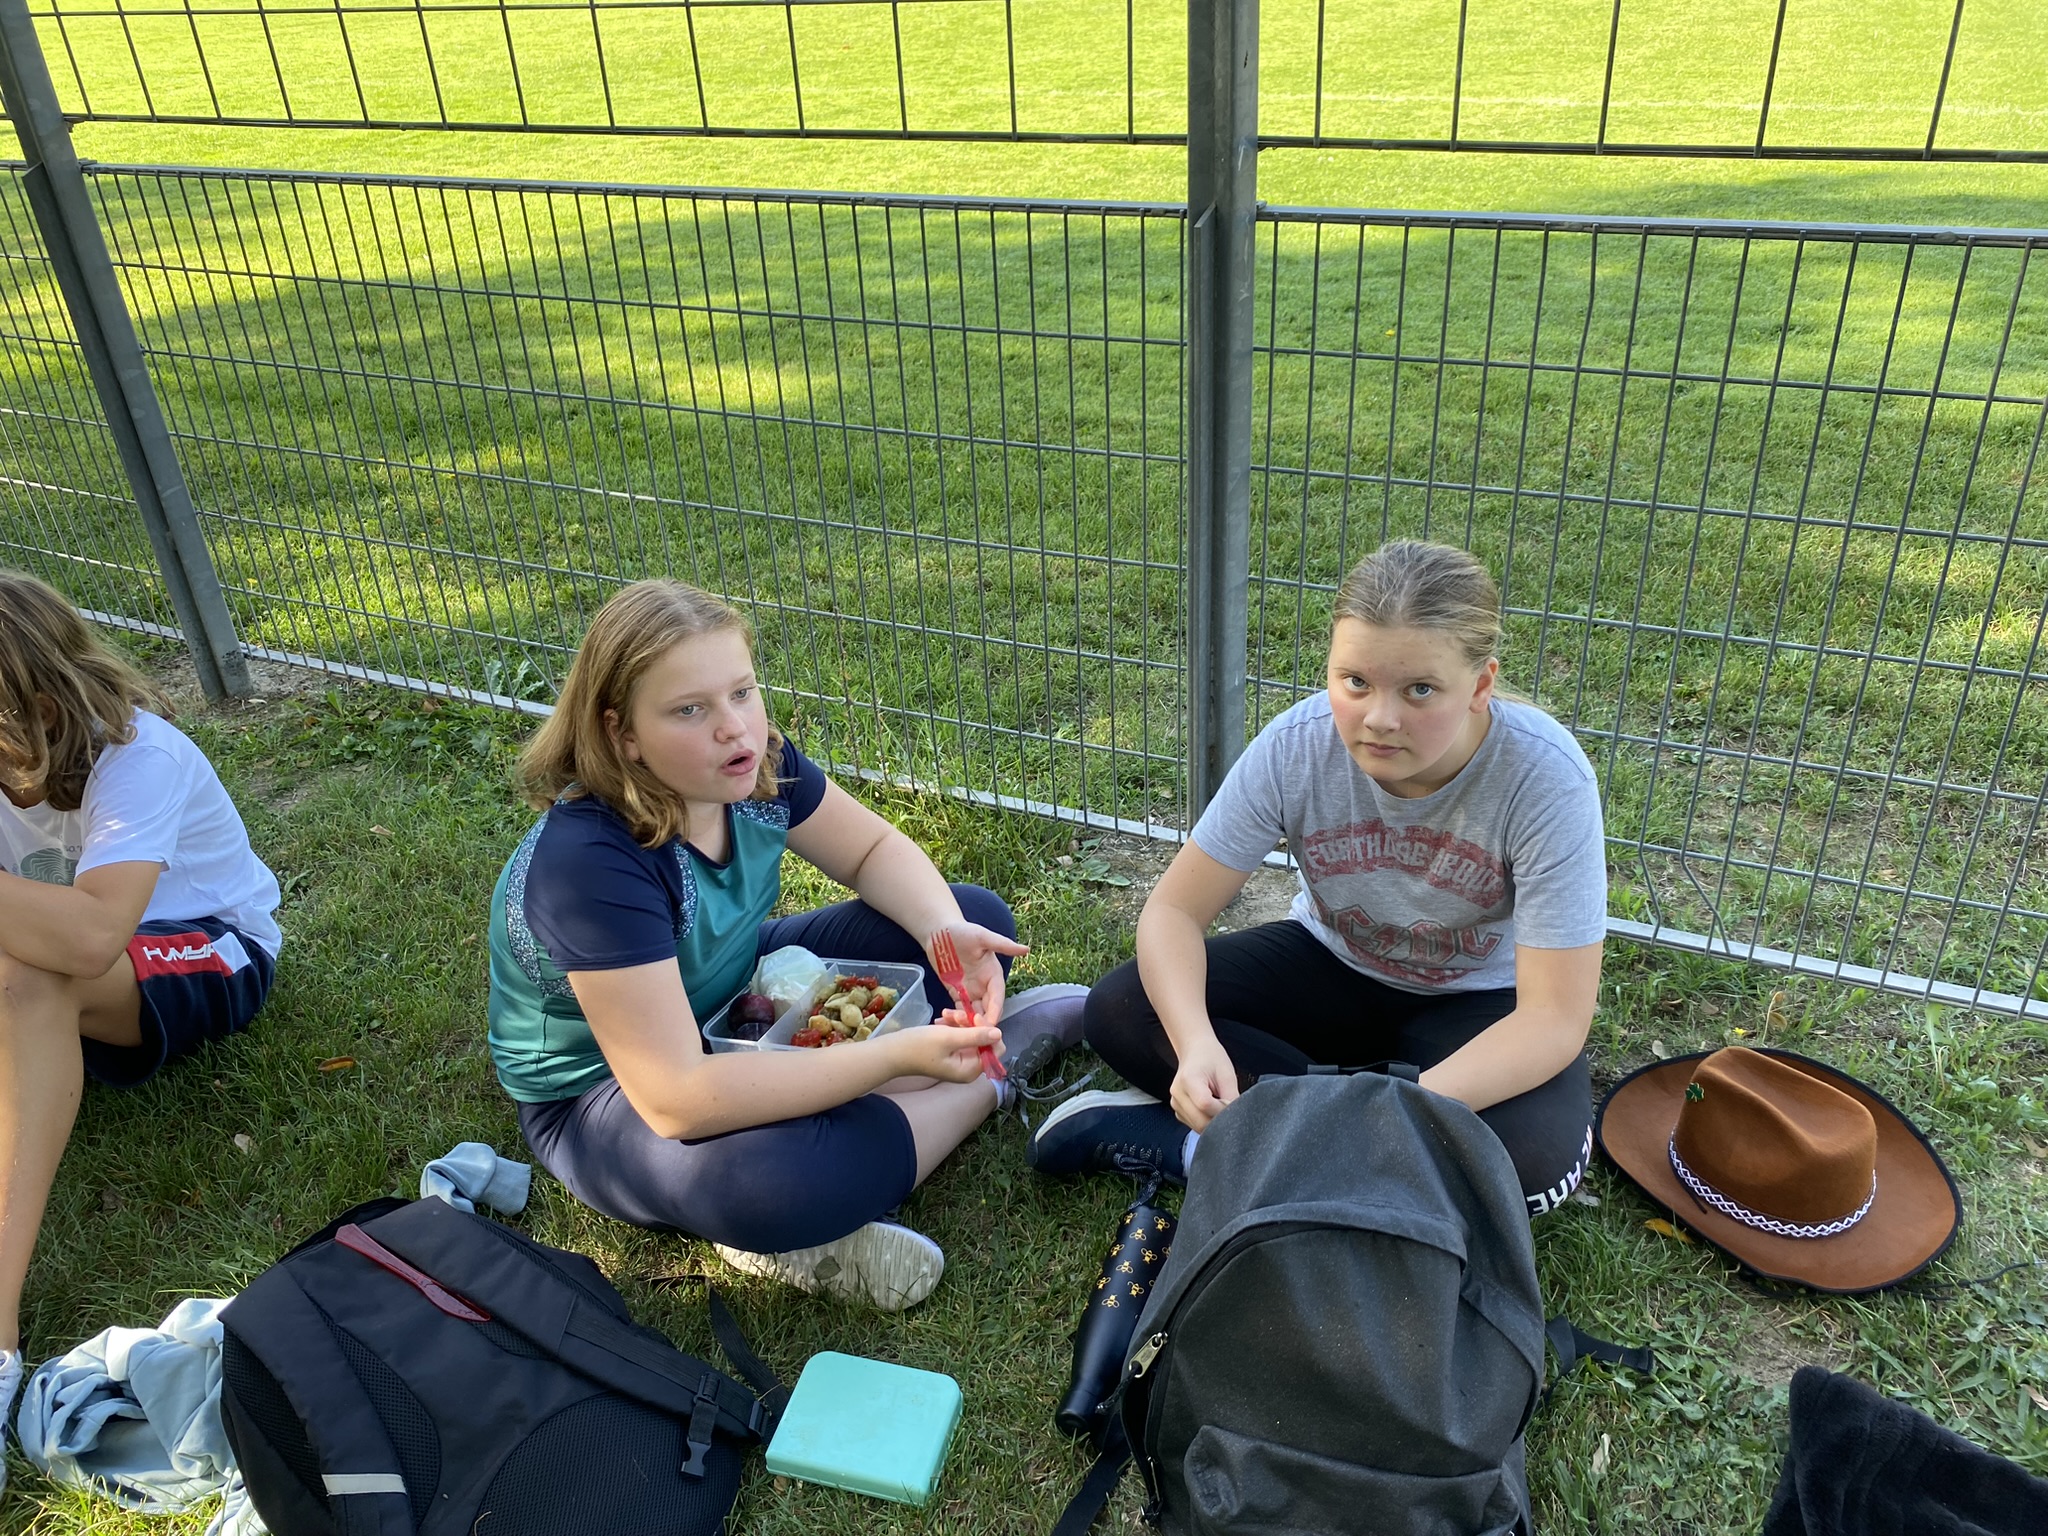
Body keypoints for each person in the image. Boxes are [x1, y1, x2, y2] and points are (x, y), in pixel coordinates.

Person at [486, 580, 1086, 1310]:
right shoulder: (589, 863)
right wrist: (890, 1058)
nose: (733, 729)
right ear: (623, 734)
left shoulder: (757, 763)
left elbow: (870, 851)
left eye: (742, 692)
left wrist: (943, 930)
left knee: (967, 917)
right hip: (601, 1092)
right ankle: (988, 1078)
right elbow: (677, 1099)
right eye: (689, 710)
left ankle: (864, 1130)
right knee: (772, 1183)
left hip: (734, 988)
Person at [1030, 540, 1605, 1220]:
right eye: (1355, 682)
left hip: (1478, 1000)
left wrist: (1397, 1107)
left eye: (1420, 690)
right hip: (1332, 965)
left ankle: (1206, 1147)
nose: (1380, 718)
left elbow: (1553, 1019)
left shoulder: (1544, 777)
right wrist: (1197, 1046)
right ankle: (1341, 1155)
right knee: (1123, 1010)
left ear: (1480, 686)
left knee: (1527, 1169)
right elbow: (1173, 914)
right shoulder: (1296, 746)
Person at [0, 572, 281, 1482]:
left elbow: (89, 937)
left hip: (213, 949)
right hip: (76, 963)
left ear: (40, 707)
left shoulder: (138, 755)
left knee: (32, 979)